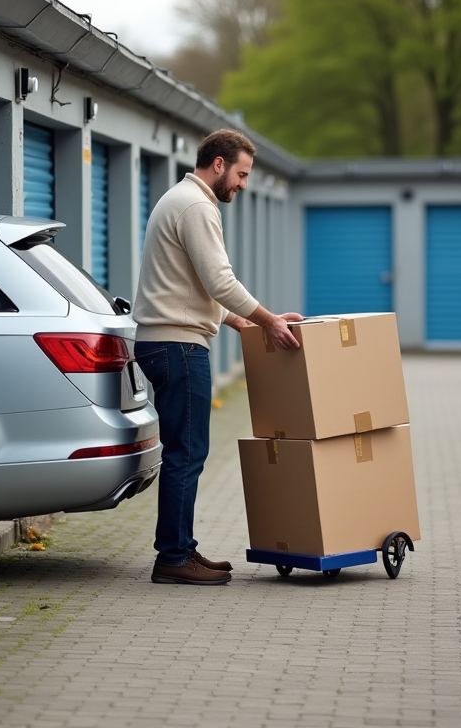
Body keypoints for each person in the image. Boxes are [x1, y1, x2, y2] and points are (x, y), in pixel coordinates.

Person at [133, 128, 302, 586]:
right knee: (187, 453)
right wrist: (269, 320)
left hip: (167, 341)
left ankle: (181, 548)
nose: (244, 185)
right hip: (179, 347)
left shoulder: (184, 200)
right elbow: (219, 280)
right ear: (220, 164)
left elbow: (196, 286)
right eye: (242, 174)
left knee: (186, 451)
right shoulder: (196, 206)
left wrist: (242, 321)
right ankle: (172, 557)